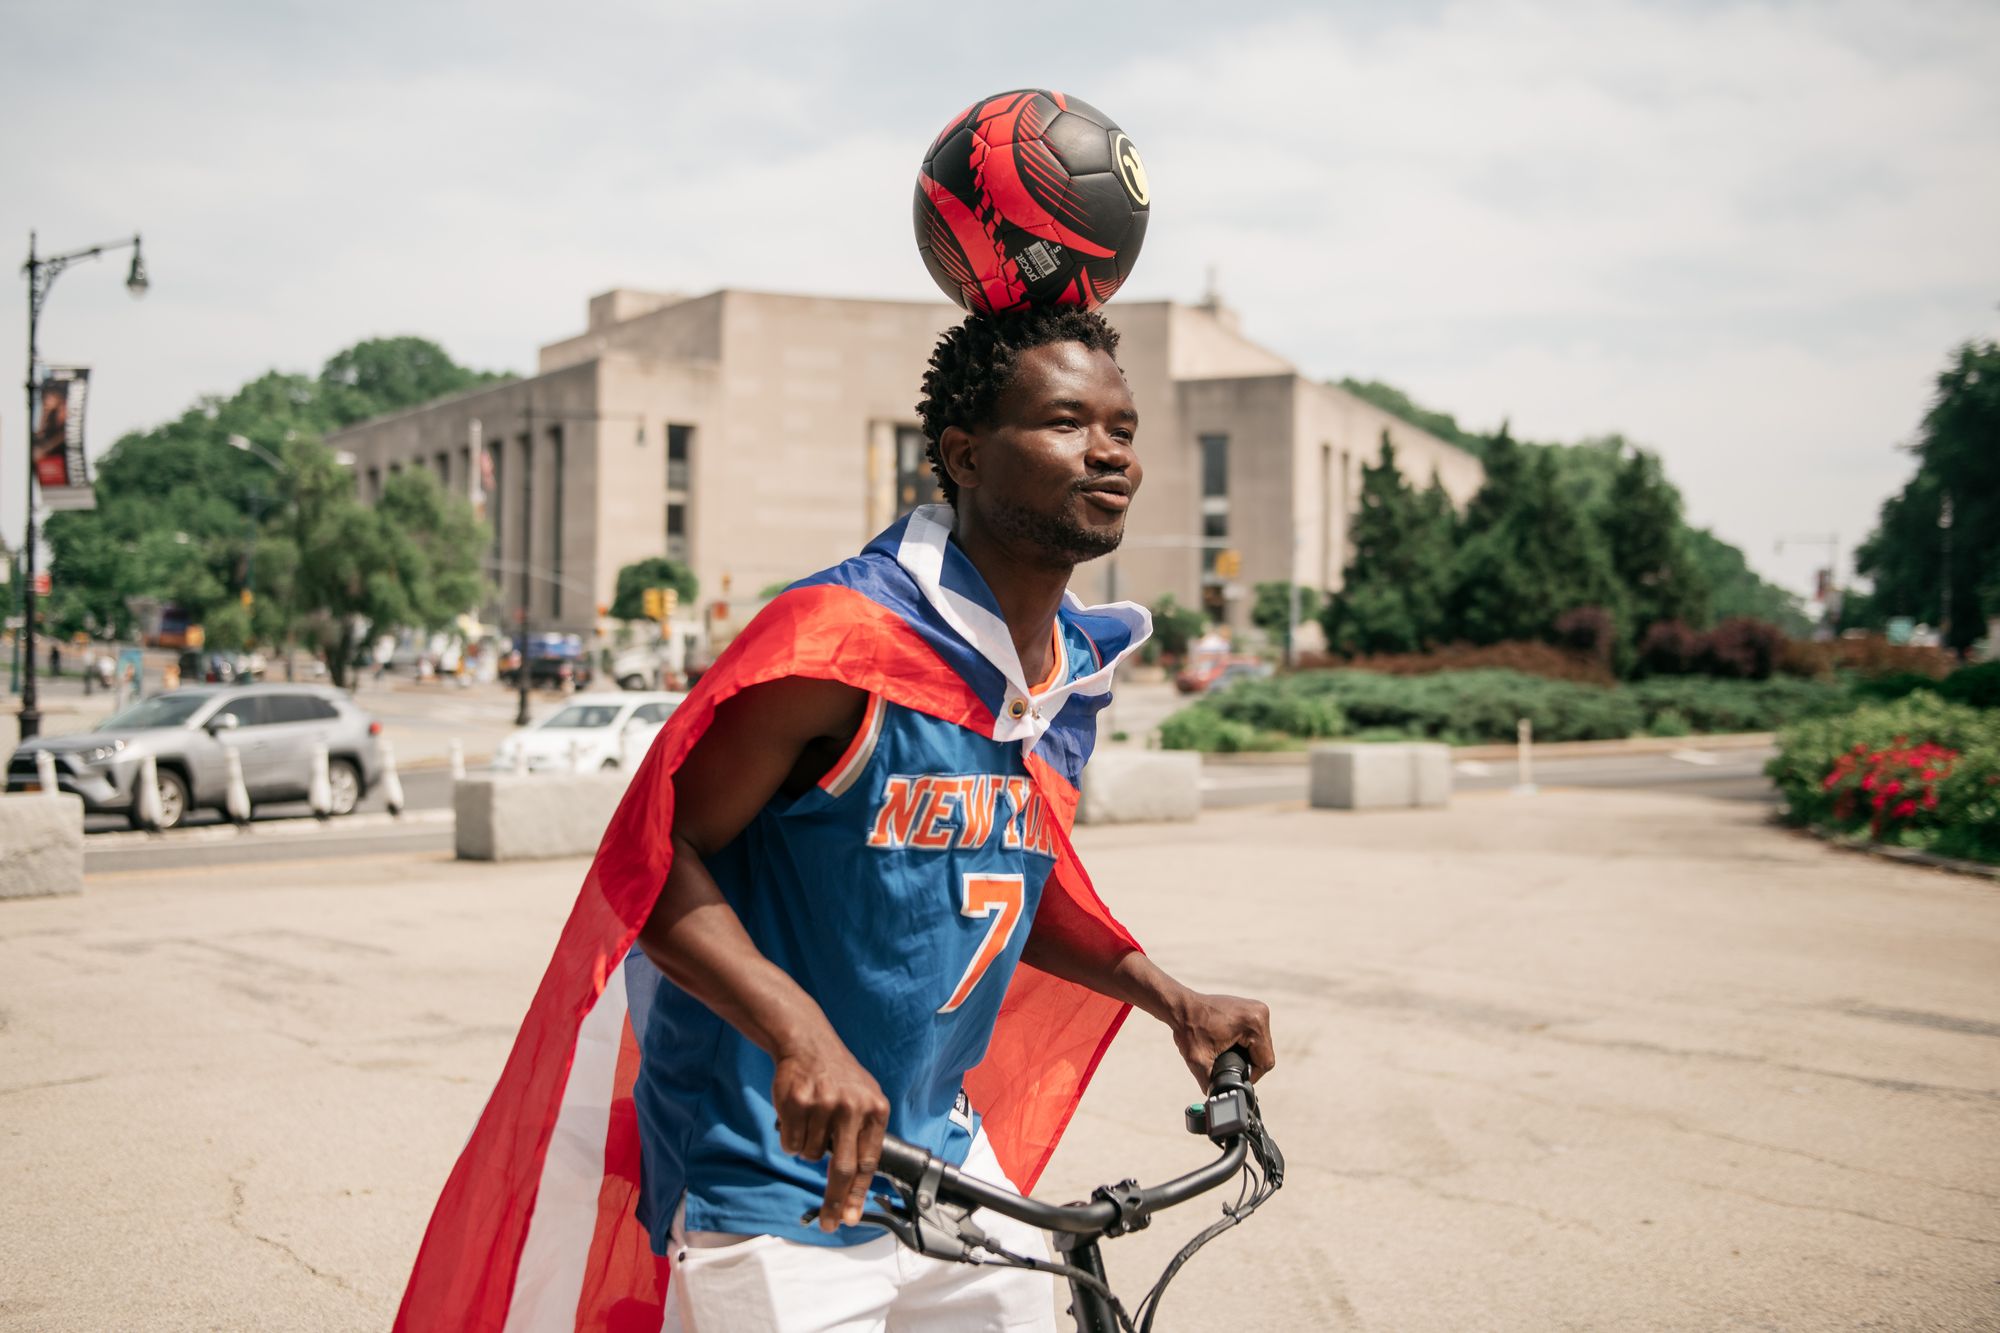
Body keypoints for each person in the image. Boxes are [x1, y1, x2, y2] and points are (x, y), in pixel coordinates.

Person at [393, 307, 1276, 1333]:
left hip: (943, 1159)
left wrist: (1171, 999)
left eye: (1121, 427)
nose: (1108, 452)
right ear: (963, 455)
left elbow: (997, 876)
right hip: (774, 1179)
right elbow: (653, 858)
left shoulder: (1057, 671)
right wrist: (796, 1031)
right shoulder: (840, 644)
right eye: (1067, 422)